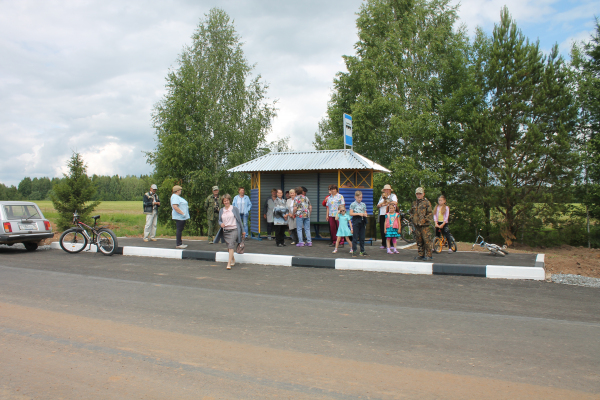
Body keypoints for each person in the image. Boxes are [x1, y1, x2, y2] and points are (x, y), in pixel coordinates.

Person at [214, 194, 245, 270]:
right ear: (223, 202)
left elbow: (239, 220)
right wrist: (221, 224)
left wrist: (243, 230)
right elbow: (219, 220)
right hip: (226, 231)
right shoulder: (221, 210)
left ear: (229, 200)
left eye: (227, 200)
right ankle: (233, 259)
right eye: (224, 201)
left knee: (231, 246)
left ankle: (229, 263)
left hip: (234, 229)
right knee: (229, 247)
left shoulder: (234, 209)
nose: (226, 202)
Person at [410, 187, 433, 261]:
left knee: (427, 240)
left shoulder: (427, 202)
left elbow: (430, 214)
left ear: (423, 194)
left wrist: (425, 220)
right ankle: (421, 254)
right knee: (419, 240)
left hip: (424, 226)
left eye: (420, 194)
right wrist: (412, 219)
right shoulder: (414, 203)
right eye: (417, 194)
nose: (418, 195)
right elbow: (411, 212)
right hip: (416, 225)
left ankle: (429, 255)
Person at [376, 184, 398, 249]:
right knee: (383, 229)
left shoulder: (393, 196)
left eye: (387, 190)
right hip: (382, 214)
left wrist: (387, 203)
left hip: (389, 215)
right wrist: (381, 204)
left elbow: (395, 202)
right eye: (385, 190)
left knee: (390, 228)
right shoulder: (381, 196)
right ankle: (384, 243)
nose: (386, 191)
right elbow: (378, 205)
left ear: (390, 190)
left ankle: (391, 244)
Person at [349, 190, 368, 257]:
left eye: (361, 197)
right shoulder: (353, 204)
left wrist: (365, 214)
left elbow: (365, 212)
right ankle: (354, 251)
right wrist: (358, 214)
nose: (360, 199)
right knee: (355, 236)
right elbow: (350, 213)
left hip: (362, 220)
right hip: (356, 220)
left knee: (362, 237)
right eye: (358, 197)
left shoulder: (363, 204)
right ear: (355, 197)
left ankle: (362, 251)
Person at [170, 185, 190, 249]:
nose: (181, 191)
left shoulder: (177, 197)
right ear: (177, 190)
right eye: (180, 190)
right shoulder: (175, 197)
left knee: (180, 229)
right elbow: (175, 206)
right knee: (179, 229)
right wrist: (182, 213)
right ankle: (178, 244)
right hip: (179, 216)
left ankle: (180, 243)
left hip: (181, 216)